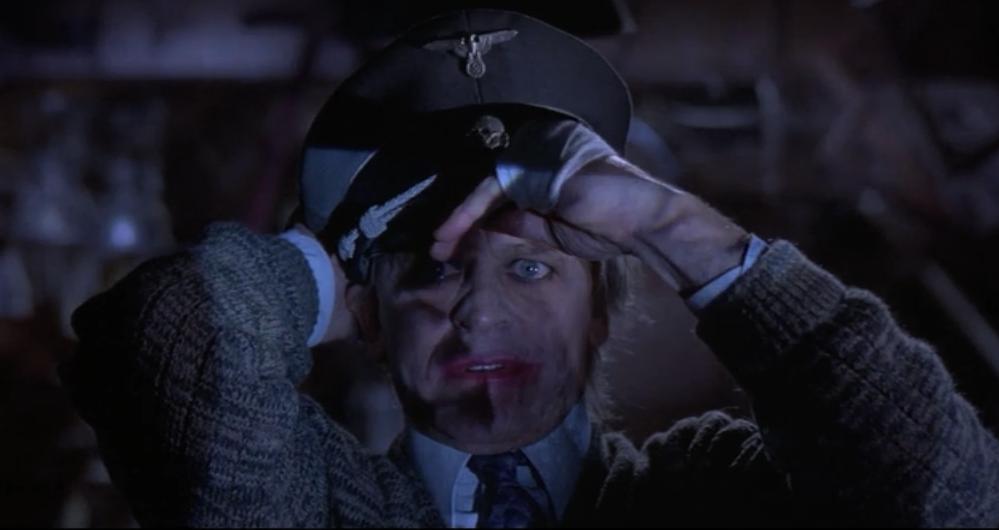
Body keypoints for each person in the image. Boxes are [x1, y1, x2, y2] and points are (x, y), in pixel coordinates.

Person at [61, 8, 999, 527]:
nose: (479, 316)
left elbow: (942, 497)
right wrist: (333, 245)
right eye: (434, 272)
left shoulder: (704, 496)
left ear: (601, 314)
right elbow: (165, 340)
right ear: (367, 318)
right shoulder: (309, 503)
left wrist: (670, 222)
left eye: (531, 272)